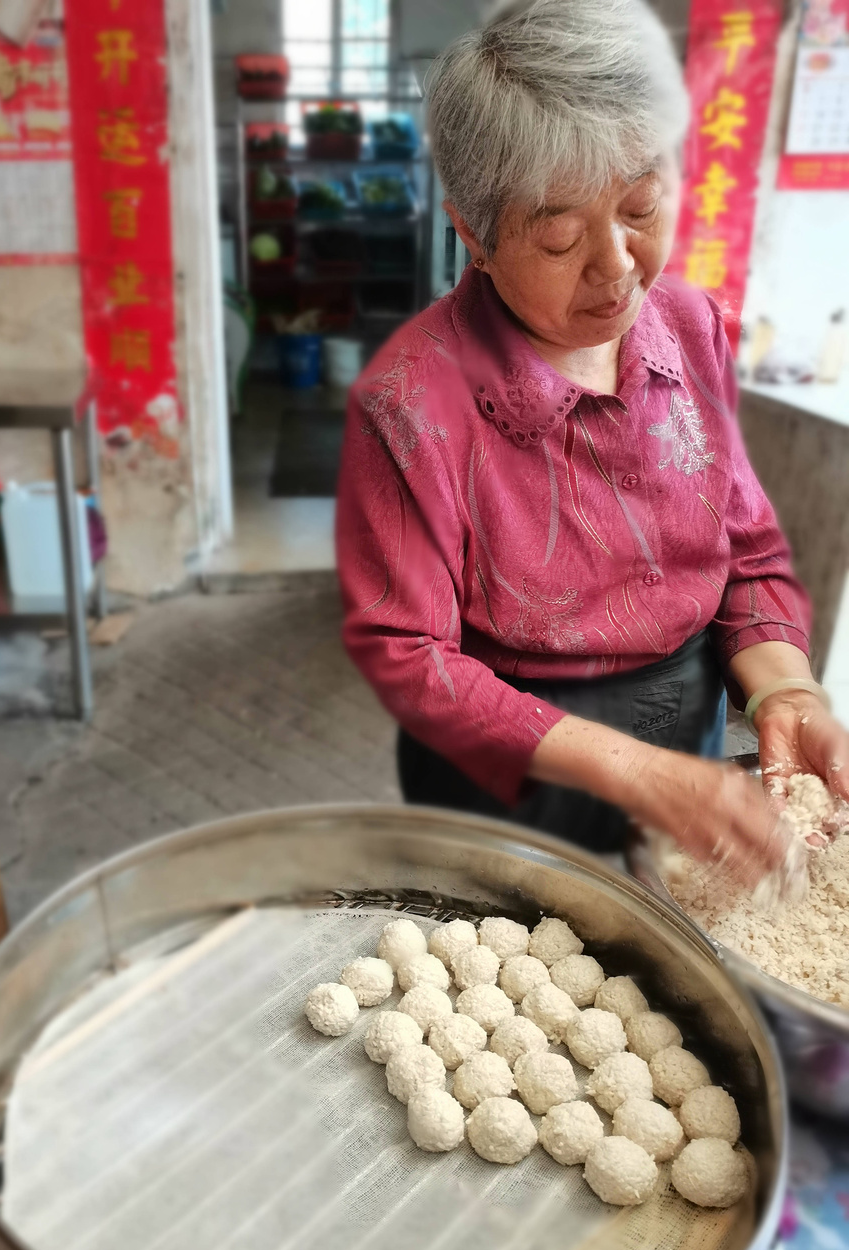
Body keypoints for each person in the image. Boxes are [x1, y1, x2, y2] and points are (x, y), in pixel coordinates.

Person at [336, 0, 849, 887]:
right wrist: (632, 771)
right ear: (476, 238)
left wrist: (782, 692)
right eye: (561, 235)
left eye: (642, 207)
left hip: (684, 733)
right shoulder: (412, 402)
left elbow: (746, 551)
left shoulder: (689, 328)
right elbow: (413, 657)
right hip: (512, 779)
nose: (616, 266)